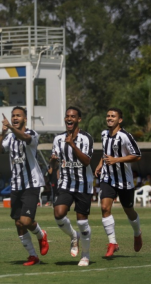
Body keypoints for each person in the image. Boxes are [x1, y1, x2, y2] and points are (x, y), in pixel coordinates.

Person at [0, 107, 49, 266]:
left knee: (25, 220)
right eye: (13, 116)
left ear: (25, 118)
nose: (15, 118)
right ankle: (33, 256)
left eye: (18, 116)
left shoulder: (32, 134)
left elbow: (24, 137)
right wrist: (3, 133)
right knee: (18, 223)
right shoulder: (9, 138)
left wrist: (10, 127)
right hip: (16, 185)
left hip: (32, 183)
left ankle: (41, 234)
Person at [94, 108, 143, 257]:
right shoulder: (104, 134)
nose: (109, 118)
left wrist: (117, 160)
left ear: (119, 120)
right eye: (108, 115)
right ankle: (112, 242)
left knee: (129, 210)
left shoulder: (125, 136)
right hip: (108, 178)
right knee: (104, 207)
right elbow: (105, 153)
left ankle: (137, 232)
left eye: (113, 116)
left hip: (124, 181)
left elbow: (137, 155)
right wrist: (100, 164)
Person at [50, 106, 94, 266]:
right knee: (58, 213)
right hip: (66, 183)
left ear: (79, 119)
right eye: (67, 116)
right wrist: (53, 162)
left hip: (83, 184)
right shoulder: (58, 139)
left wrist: (73, 145)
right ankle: (74, 236)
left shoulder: (86, 138)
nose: (69, 119)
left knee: (82, 222)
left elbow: (87, 161)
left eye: (73, 116)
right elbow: (54, 163)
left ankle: (86, 255)